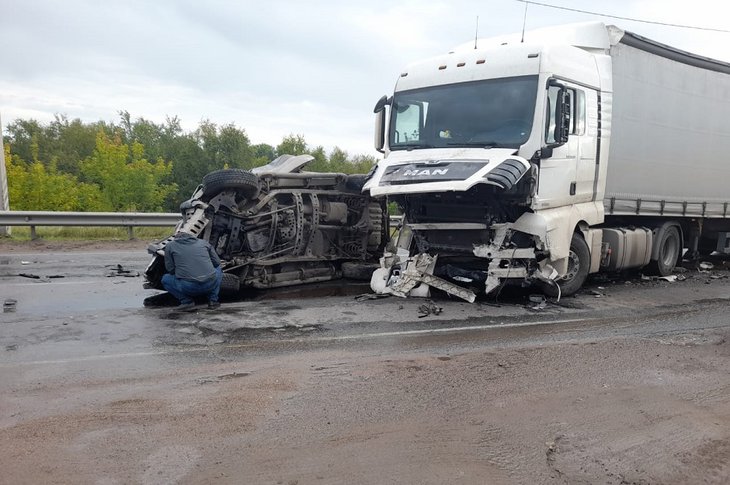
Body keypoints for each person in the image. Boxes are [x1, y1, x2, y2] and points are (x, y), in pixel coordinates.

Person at [162, 229, 222, 311]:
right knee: (218, 269)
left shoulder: (170, 245)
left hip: (188, 287)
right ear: (192, 237)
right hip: (210, 284)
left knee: (165, 279)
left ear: (176, 238)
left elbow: (170, 269)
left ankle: (187, 302)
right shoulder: (204, 243)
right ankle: (213, 301)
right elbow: (217, 263)